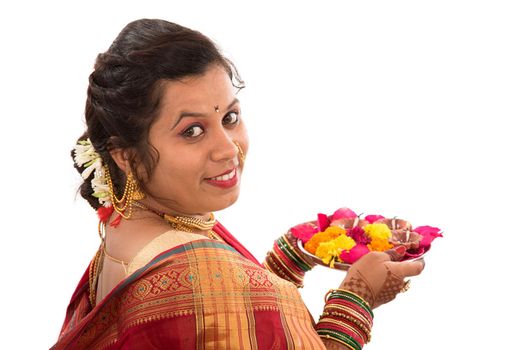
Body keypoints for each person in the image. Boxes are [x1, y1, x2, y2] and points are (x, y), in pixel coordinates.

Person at [52, 19, 425, 350]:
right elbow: (219, 295)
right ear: (125, 155)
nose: (228, 149)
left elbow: (218, 329)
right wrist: (357, 299)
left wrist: (290, 258)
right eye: (192, 131)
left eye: (230, 117)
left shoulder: (124, 232)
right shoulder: (207, 274)